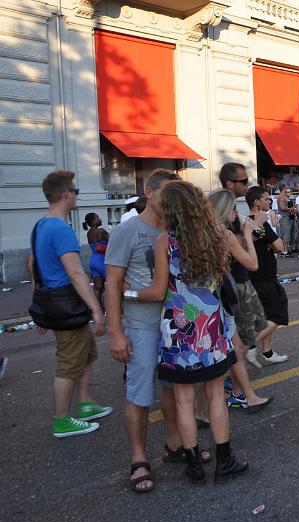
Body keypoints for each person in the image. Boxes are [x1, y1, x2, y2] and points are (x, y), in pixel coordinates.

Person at [130, 181, 247, 483]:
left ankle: (193, 464)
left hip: (178, 330)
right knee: (216, 396)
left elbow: (157, 291)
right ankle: (225, 460)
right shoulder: (219, 236)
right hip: (212, 325)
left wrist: (128, 294)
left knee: (183, 399)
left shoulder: (164, 241)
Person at [106, 169, 210, 493]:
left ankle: (174, 446)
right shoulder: (127, 232)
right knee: (139, 395)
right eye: (166, 194)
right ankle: (139, 460)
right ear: (149, 192)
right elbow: (112, 285)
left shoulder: (175, 230)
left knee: (173, 391)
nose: (170, 202)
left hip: (174, 328)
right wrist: (115, 333)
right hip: (141, 327)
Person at [32, 170, 111, 438]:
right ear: (66, 194)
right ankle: (62, 420)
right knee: (68, 363)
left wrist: (39, 308)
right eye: (75, 191)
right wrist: (96, 309)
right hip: (67, 303)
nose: (77, 195)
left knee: (86, 354)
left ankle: (86, 403)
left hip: (54, 304)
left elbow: (33, 265)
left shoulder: (41, 225)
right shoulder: (61, 229)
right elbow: (76, 273)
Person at [219, 164, 271, 372]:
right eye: (242, 181)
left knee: (242, 336)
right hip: (234, 282)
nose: (247, 184)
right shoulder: (225, 214)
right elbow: (249, 259)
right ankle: (236, 391)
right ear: (229, 183)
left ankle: (238, 390)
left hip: (239, 279)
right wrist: (253, 228)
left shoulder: (230, 210)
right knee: (237, 340)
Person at [243, 187, 290, 365]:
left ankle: (268, 352)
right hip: (264, 277)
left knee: (265, 315)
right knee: (278, 314)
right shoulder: (260, 222)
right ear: (256, 202)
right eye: (265, 199)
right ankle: (249, 347)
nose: (269, 201)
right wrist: (273, 244)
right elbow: (280, 246)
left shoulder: (247, 221)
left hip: (254, 275)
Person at [84, 212, 109, 305]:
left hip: (93, 261)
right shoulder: (101, 231)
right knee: (111, 286)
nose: (100, 219)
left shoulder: (88, 233)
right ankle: (110, 308)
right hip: (102, 261)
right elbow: (112, 242)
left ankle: (97, 310)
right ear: (94, 221)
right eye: (98, 218)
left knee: (97, 288)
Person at [276, 184, 297, 255]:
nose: (287, 190)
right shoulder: (281, 197)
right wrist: (291, 209)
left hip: (287, 217)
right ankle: (285, 251)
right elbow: (282, 208)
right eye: (286, 189)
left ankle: (286, 250)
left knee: (287, 234)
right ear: (283, 189)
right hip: (284, 217)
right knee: (285, 234)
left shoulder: (284, 197)